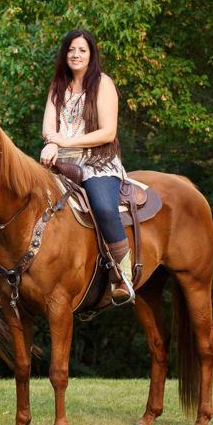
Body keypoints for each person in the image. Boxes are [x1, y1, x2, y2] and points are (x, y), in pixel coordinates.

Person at [39, 28, 134, 305]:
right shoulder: (58, 86)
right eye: (71, 50)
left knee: (103, 207)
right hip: (61, 162)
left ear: (91, 54)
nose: (76, 55)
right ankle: (17, 276)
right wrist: (52, 143)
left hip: (97, 161)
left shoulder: (103, 83)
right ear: (64, 54)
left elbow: (108, 133)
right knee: (26, 197)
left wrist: (63, 141)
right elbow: (48, 126)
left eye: (82, 49)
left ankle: (123, 275)